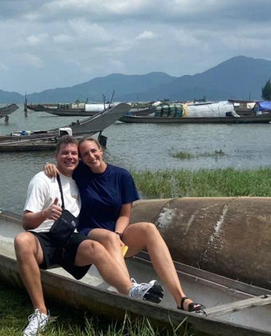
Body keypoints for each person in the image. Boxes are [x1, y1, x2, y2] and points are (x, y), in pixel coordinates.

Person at [14, 135, 164, 336]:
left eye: (74, 154)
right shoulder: (42, 179)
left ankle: (131, 289)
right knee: (21, 240)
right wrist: (45, 213)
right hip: (43, 238)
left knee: (95, 247)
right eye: (65, 153)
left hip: (69, 237)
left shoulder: (78, 179)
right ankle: (40, 313)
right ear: (56, 156)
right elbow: (26, 223)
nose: (70, 157)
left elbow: (98, 170)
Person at [45, 137, 204, 314]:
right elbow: (64, 164)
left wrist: (119, 234)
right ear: (82, 159)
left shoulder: (122, 176)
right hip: (89, 232)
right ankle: (129, 292)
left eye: (93, 151)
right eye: (85, 154)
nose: (91, 156)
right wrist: (49, 166)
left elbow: (124, 214)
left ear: (101, 151)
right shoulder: (80, 173)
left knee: (148, 229)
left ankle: (180, 298)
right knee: (110, 237)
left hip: (117, 233)